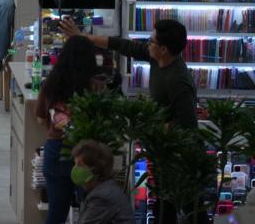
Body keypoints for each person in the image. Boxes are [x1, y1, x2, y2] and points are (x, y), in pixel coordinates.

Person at [60, 18, 196, 129]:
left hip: (174, 154)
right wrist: (83, 37)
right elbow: (123, 45)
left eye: (151, 41)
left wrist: (152, 128)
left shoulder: (178, 80)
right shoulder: (157, 57)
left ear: (163, 49)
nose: (147, 43)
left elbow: (188, 124)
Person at [35, 36, 99, 224]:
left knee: (56, 212)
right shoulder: (96, 86)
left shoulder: (51, 84)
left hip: (55, 150)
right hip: (86, 154)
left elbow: (40, 118)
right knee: (90, 211)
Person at [71, 140, 135, 224]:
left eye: (80, 165)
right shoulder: (104, 188)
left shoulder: (101, 197)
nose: (75, 169)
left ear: (95, 168)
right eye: (75, 164)